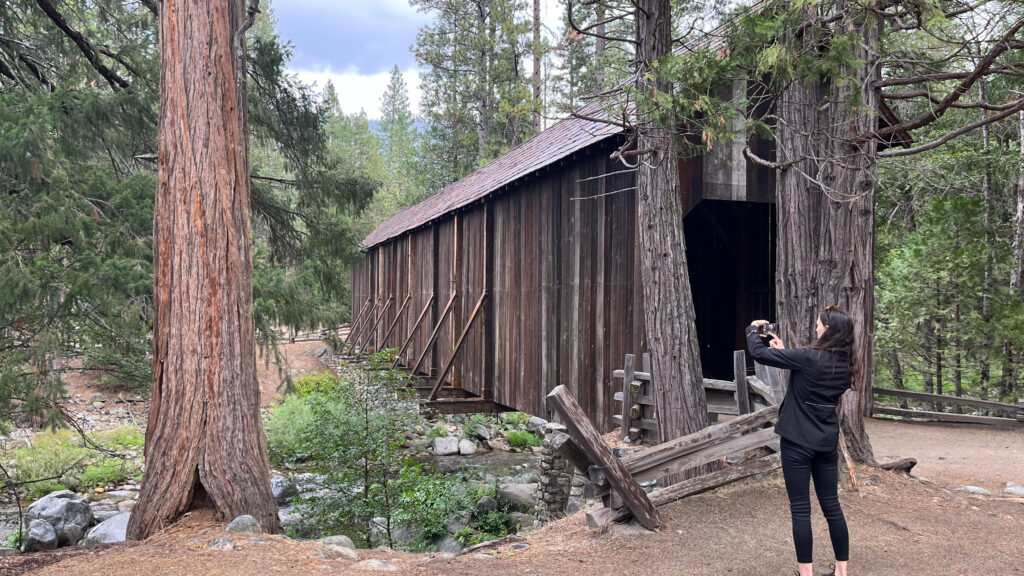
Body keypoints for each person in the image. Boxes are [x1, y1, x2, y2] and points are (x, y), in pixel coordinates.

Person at [745, 306, 855, 576]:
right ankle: (842, 571)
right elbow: (810, 373)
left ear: (828, 329)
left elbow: (758, 353)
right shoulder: (846, 364)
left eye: (819, 325)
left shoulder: (808, 357)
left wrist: (752, 330)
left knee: (801, 509)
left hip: (796, 442)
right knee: (832, 506)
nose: (816, 328)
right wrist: (785, 352)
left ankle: (806, 573)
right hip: (826, 443)